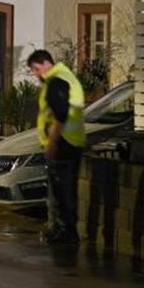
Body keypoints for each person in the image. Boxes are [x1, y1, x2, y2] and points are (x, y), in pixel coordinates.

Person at [27, 49, 87, 246]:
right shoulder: (67, 76)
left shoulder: (57, 81)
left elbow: (60, 115)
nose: (37, 74)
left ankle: (65, 233)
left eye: (36, 69)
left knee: (62, 191)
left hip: (63, 143)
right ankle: (63, 231)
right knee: (64, 190)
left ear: (45, 64)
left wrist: (51, 143)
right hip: (72, 142)